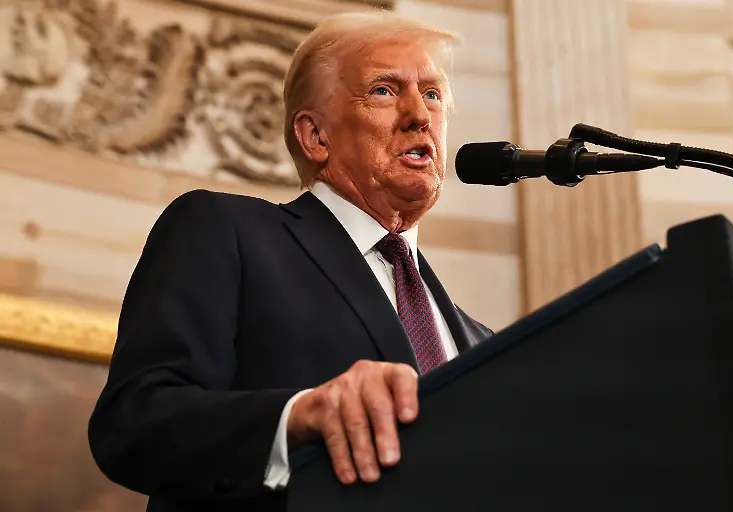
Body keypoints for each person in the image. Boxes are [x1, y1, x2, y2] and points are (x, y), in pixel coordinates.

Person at [88, 10, 493, 512]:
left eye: (432, 94)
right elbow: (134, 421)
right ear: (315, 136)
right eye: (384, 91)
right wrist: (295, 418)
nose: (419, 115)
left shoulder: (481, 342)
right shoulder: (228, 233)